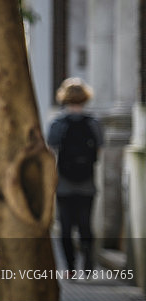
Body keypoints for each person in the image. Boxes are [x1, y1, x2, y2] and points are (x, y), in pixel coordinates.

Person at [47, 77, 104, 274]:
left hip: (63, 183)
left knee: (65, 228)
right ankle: (88, 260)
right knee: (85, 224)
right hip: (87, 182)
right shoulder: (93, 122)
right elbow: (99, 148)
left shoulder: (58, 122)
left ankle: (70, 267)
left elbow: (51, 145)